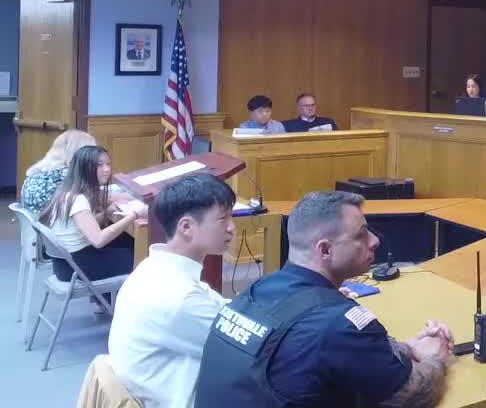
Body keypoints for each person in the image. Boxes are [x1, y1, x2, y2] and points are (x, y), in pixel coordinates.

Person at [193, 191, 453, 407]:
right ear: (325, 250)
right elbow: (414, 396)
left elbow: (319, 354)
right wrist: (436, 357)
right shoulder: (339, 322)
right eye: (361, 234)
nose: (374, 241)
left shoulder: (256, 291)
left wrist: (404, 348)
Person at [109, 174, 236, 408]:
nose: (232, 227)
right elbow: (245, 347)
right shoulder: (179, 297)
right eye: (223, 219)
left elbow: (220, 308)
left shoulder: (153, 267)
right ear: (186, 227)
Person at [40, 146, 139, 281]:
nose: (107, 169)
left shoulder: (68, 191)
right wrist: (133, 215)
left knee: (127, 241)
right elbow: (98, 240)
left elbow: (83, 225)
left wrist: (106, 213)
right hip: (76, 267)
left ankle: (112, 293)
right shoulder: (78, 199)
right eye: (100, 165)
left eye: (108, 164)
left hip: (66, 263)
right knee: (139, 256)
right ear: (85, 169)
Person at [20, 129, 97, 214]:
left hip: (33, 221)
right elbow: (85, 209)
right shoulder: (69, 176)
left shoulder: (35, 173)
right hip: (54, 221)